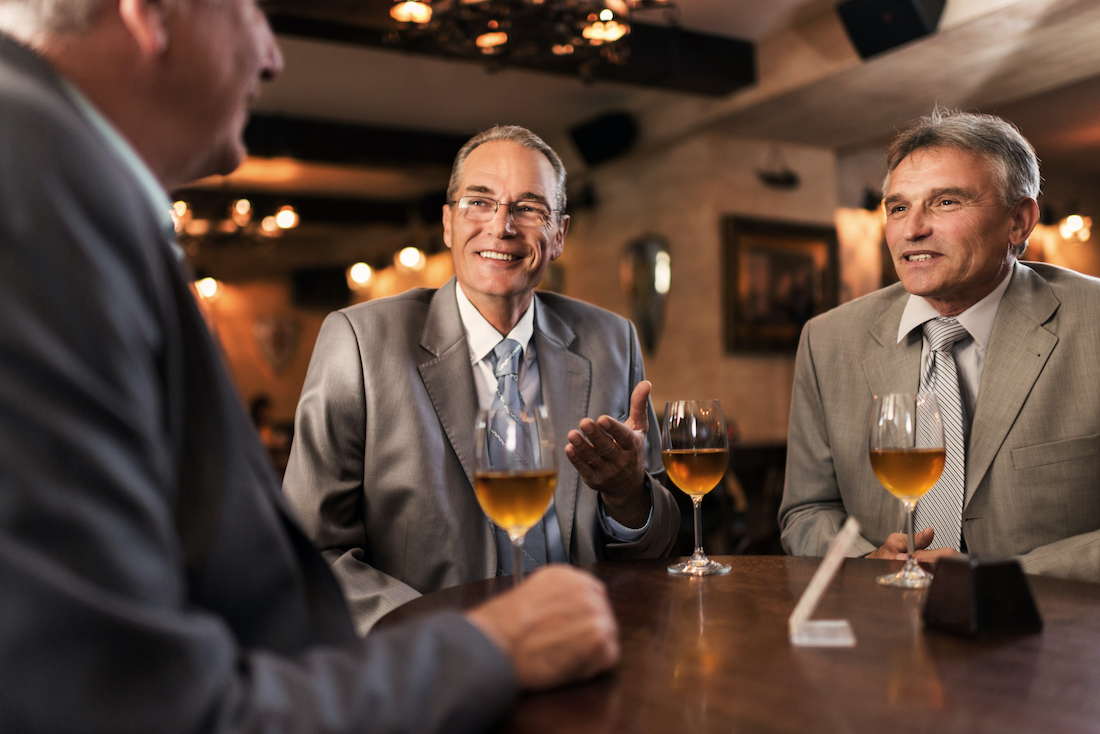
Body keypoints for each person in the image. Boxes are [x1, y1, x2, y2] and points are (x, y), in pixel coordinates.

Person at [0, 1, 621, 731]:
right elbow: (134, 702)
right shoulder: (31, 191)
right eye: (254, 10)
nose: (273, 54)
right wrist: (488, 649)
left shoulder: (62, 182)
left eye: (528, 209)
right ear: (150, 12)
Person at [284, 125, 681, 632]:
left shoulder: (611, 339)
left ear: (558, 234)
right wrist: (454, 642)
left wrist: (629, 496)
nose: (501, 226)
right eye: (479, 202)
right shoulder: (358, 342)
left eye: (530, 208)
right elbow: (310, 551)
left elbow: (661, 542)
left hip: (586, 643)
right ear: (448, 224)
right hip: (436, 670)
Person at [780, 107, 1100, 582]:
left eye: (946, 202)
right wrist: (867, 564)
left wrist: (993, 575)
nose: (912, 229)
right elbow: (807, 512)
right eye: (898, 207)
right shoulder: (827, 340)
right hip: (889, 632)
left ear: (1019, 221)